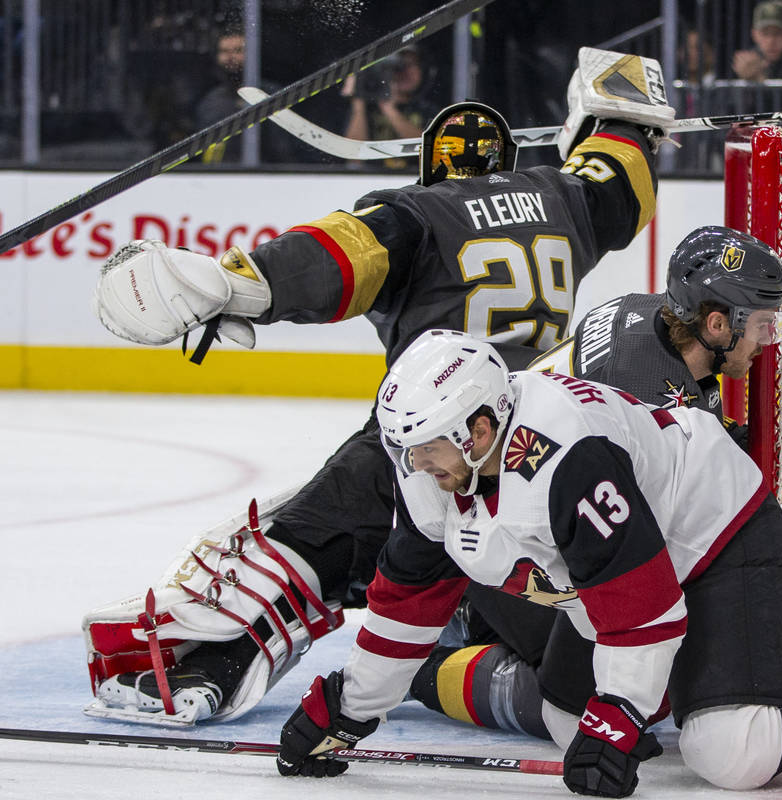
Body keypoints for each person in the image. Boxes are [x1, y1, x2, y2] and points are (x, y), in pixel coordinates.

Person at [84, 49, 673, 728]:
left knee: (316, 536)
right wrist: (617, 109)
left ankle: (208, 663)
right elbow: (619, 178)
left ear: (432, 163)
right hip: (540, 441)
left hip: (434, 435)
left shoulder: (416, 211)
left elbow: (340, 256)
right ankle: (480, 630)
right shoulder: (563, 197)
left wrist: (239, 283)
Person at [274, 328, 782, 797]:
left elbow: (641, 602)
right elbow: (408, 604)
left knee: (733, 755)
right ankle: (696, 680)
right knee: (570, 725)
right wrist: (354, 708)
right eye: (404, 449)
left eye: (427, 447)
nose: (415, 466)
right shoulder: (435, 474)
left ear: (480, 429)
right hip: (627, 571)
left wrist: (619, 715)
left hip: (716, 539)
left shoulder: (566, 456)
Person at [406, 226, 782, 739]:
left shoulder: (649, 316)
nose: (764, 340)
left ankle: (467, 624)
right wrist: (781, 635)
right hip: (515, 548)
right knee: (589, 699)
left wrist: (732, 437)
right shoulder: (643, 382)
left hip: (525, 518)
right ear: (716, 323)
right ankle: (432, 659)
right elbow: (648, 565)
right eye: (760, 324)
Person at [193, 28, 296, 165]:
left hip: (268, 176)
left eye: (238, 51)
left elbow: (283, 149)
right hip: (220, 177)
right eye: (224, 52)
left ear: (253, 55)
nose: (231, 57)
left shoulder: (271, 94)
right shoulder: (210, 100)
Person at [341, 45, 439, 171]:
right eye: (398, 67)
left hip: (416, 180)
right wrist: (358, 98)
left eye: (411, 65)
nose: (404, 73)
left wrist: (388, 107)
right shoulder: (366, 110)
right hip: (371, 180)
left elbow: (430, 151)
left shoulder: (428, 110)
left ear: (423, 70)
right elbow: (354, 156)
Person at [731, 1, 782, 83]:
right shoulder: (748, 63)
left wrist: (759, 80)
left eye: (777, 33)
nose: (771, 41)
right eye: (765, 34)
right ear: (754, 34)